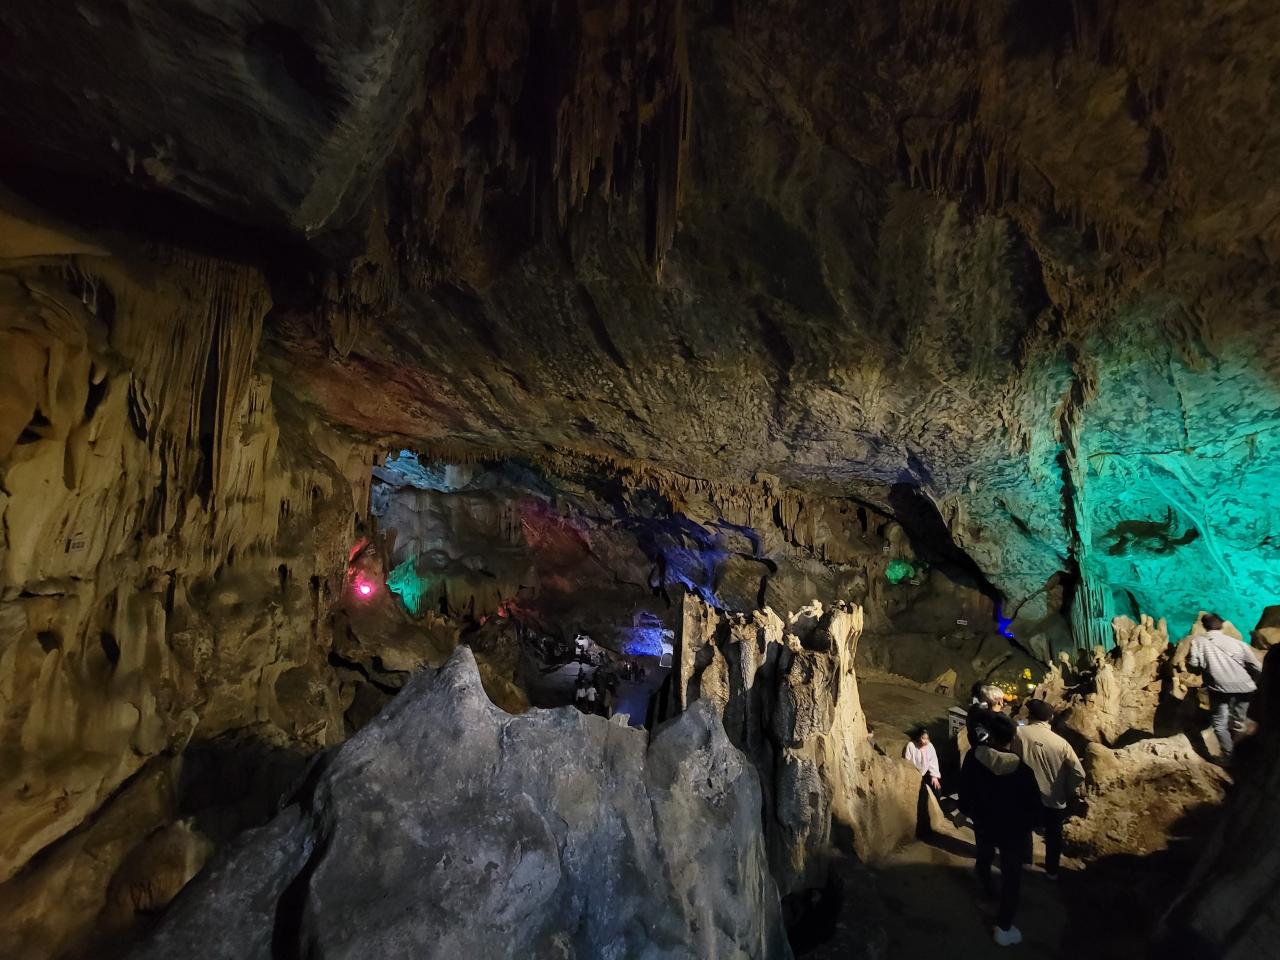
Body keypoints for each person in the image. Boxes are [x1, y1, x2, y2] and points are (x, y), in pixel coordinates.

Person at [960, 712, 1042, 947]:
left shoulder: (974, 758)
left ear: (990, 735)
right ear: (1012, 738)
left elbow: (965, 790)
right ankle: (1004, 927)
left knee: (984, 858)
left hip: (984, 823)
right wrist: (1029, 826)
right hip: (1012, 831)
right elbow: (1034, 807)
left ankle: (987, 893)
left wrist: (966, 810)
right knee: (1011, 876)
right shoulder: (1023, 771)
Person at [1014, 698, 1085, 879]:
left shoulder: (1020, 733)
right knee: (1053, 836)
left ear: (1031, 716)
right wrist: (1066, 790)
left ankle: (1025, 861)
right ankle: (1052, 870)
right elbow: (1079, 773)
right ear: (1050, 718)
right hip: (1054, 798)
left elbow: (1011, 759)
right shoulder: (1061, 743)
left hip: (1025, 794)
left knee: (1024, 828)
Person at [1188, 613, 1263, 762]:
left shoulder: (1198, 642)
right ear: (1222, 625)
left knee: (1219, 723)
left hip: (1219, 688)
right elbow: (1257, 666)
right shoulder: (1238, 643)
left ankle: (1228, 756)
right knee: (1239, 721)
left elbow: (1194, 664)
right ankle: (1243, 754)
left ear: (1204, 626)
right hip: (1245, 687)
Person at [904, 727, 942, 838]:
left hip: (926, 773)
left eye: (927, 738)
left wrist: (934, 776)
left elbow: (933, 761)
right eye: (923, 738)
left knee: (937, 789)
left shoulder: (930, 747)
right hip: (915, 772)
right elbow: (907, 761)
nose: (925, 741)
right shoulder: (911, 746)